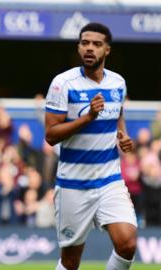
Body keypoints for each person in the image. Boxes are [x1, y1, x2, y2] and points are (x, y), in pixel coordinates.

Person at [44, 23, 137, 270]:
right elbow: (51, 135)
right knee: (71, 261)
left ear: (107, 50)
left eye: (96, 44)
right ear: (78, 47)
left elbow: (118, 114)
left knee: (127, 244)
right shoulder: (63, 84)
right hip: (74, 184)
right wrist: (87, 118)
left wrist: (123, 136)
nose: (89, 48)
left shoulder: (118, 83)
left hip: (109, 180)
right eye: (85, 43)